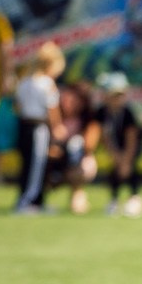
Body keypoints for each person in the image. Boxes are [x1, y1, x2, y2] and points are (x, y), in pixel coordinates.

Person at [12, 41, 64, 214]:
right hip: (38, 127)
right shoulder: (46, 84)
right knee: (36, 165)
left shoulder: (24, 82)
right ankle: (27, 201)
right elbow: (52, 108)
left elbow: (17, 107)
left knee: (28, 164)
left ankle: (37, 201)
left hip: (23, 126)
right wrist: (57, 127)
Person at [96, 71, 142, 216]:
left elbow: (132, 138)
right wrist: (116, 156)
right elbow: (104, 136)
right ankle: (114, 200)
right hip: (115, 146)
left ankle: (135, 198)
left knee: (130, 169)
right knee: (115, 170)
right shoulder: (102, 112)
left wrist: (126, 160)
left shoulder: (129, 112)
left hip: (132, 146)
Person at [47, 79, 99, 214]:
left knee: (76, 149)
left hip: (76, 162)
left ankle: (77, 193)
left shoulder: (88, 120)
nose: (68, 102)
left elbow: (89, 146)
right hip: (53, 162)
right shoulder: (54, 116)